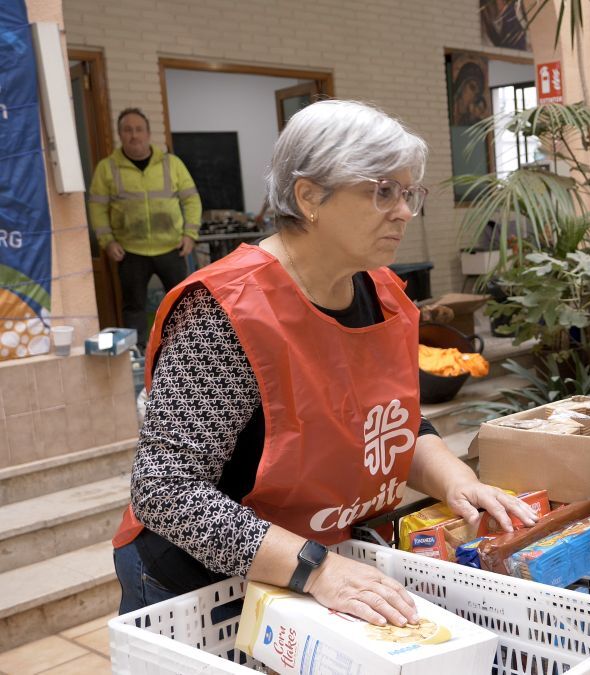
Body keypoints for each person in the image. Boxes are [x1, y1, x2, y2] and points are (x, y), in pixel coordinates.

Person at [111, 100, 537, 625]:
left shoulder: (382, 293)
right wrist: (316, 569)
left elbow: (394, 422)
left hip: (318, 564)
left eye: (408, 194)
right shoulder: (227, 311)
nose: (404, 211)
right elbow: (165, 490)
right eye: (383, 191)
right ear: (309, 196)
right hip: (206, 584)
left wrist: (456, 481)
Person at [87, 107, 202, 348]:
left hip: (172, 248)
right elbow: (97, 208)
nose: (134, 135)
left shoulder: (172, 164)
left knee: (182, 303)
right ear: (120, 134)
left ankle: (185, 349)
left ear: (148, 134)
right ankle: (137, 353)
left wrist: (190, 235)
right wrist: (107, 241)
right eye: (127, 130)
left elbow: (191, 199)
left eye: (139, 129)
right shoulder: (107, 168)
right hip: (130, 251)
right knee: (133, 307)